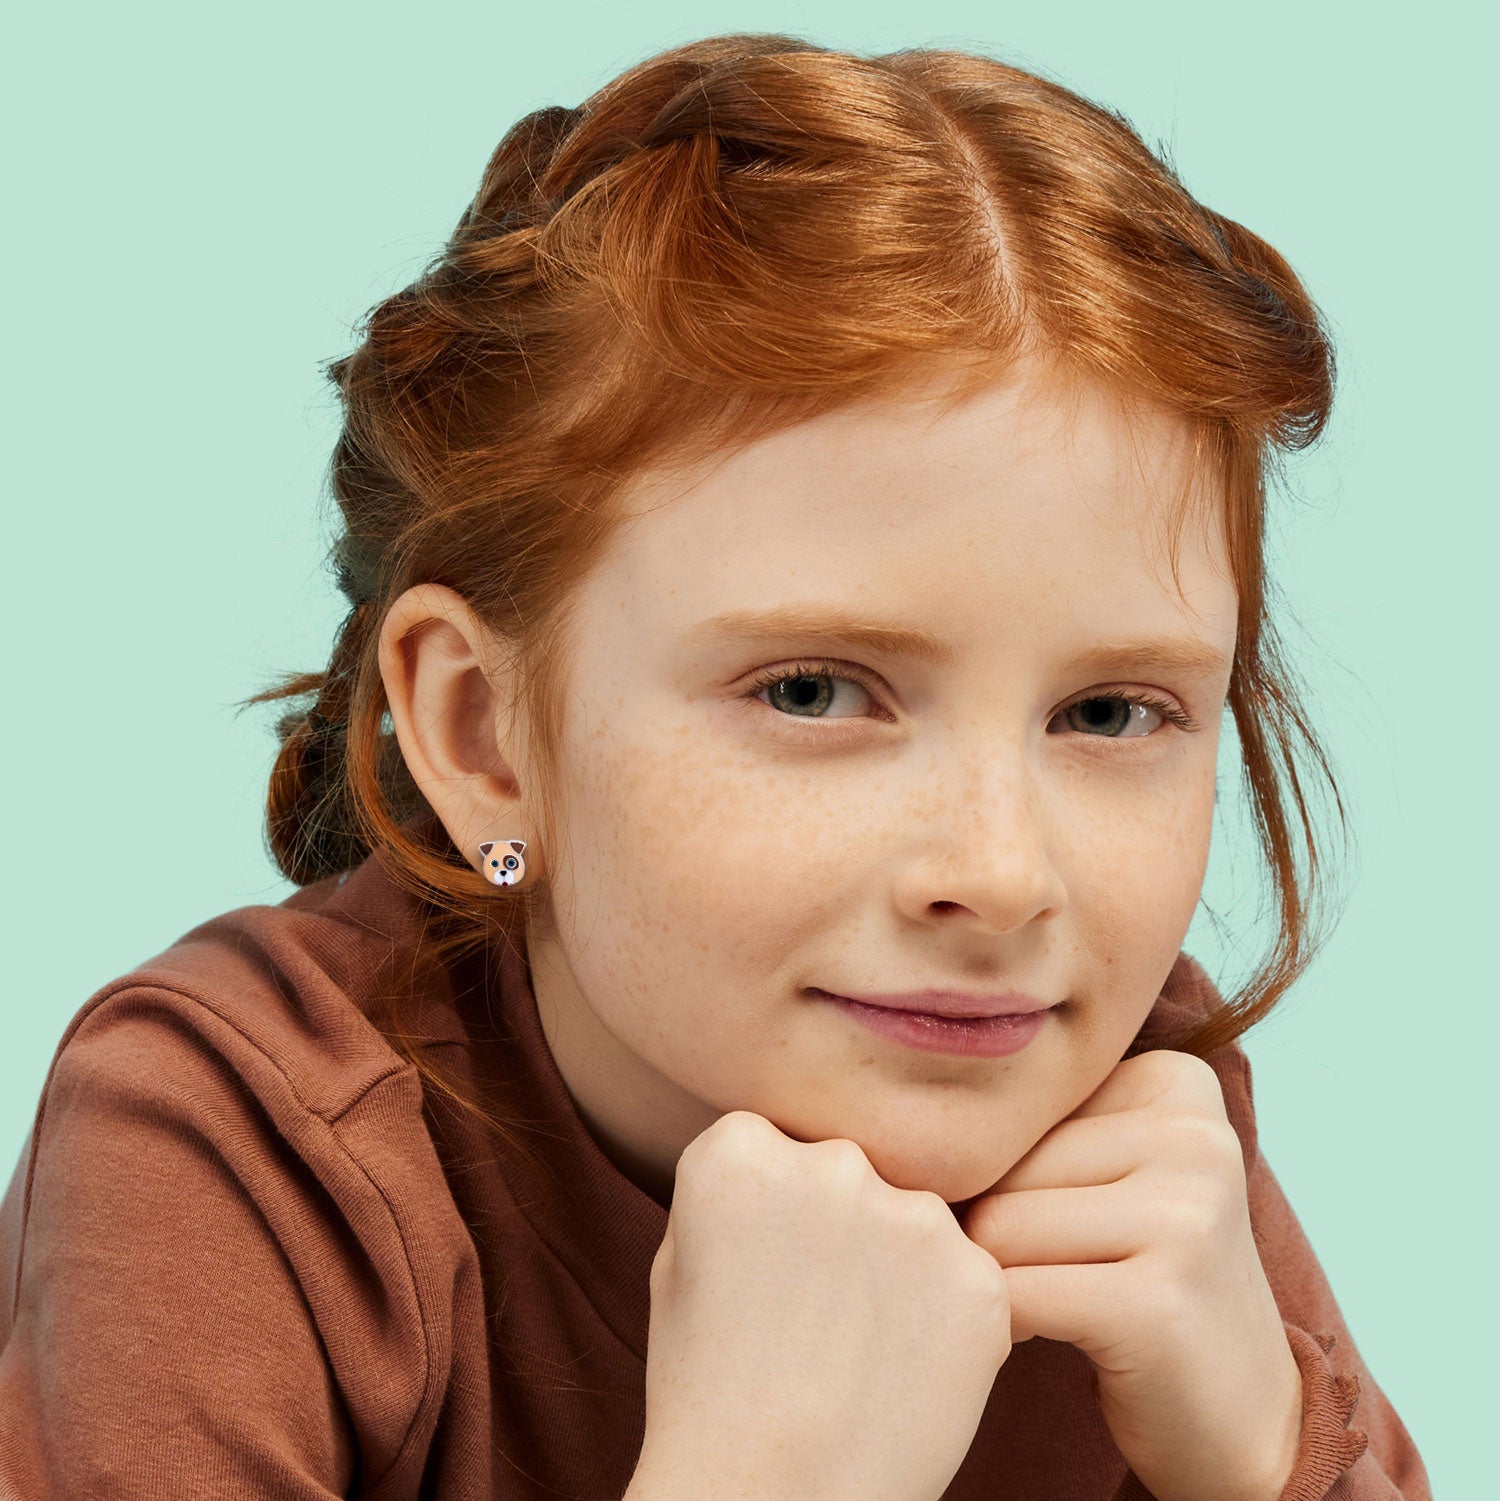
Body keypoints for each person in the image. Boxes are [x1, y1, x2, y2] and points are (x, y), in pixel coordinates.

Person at [0, 30, 1431, 1501]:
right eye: (815, 690)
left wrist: (1271, 1449)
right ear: (488, 740)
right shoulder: (238, 1148)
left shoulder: (1133, 1124)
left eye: (1113, 713)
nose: (1002, 877)